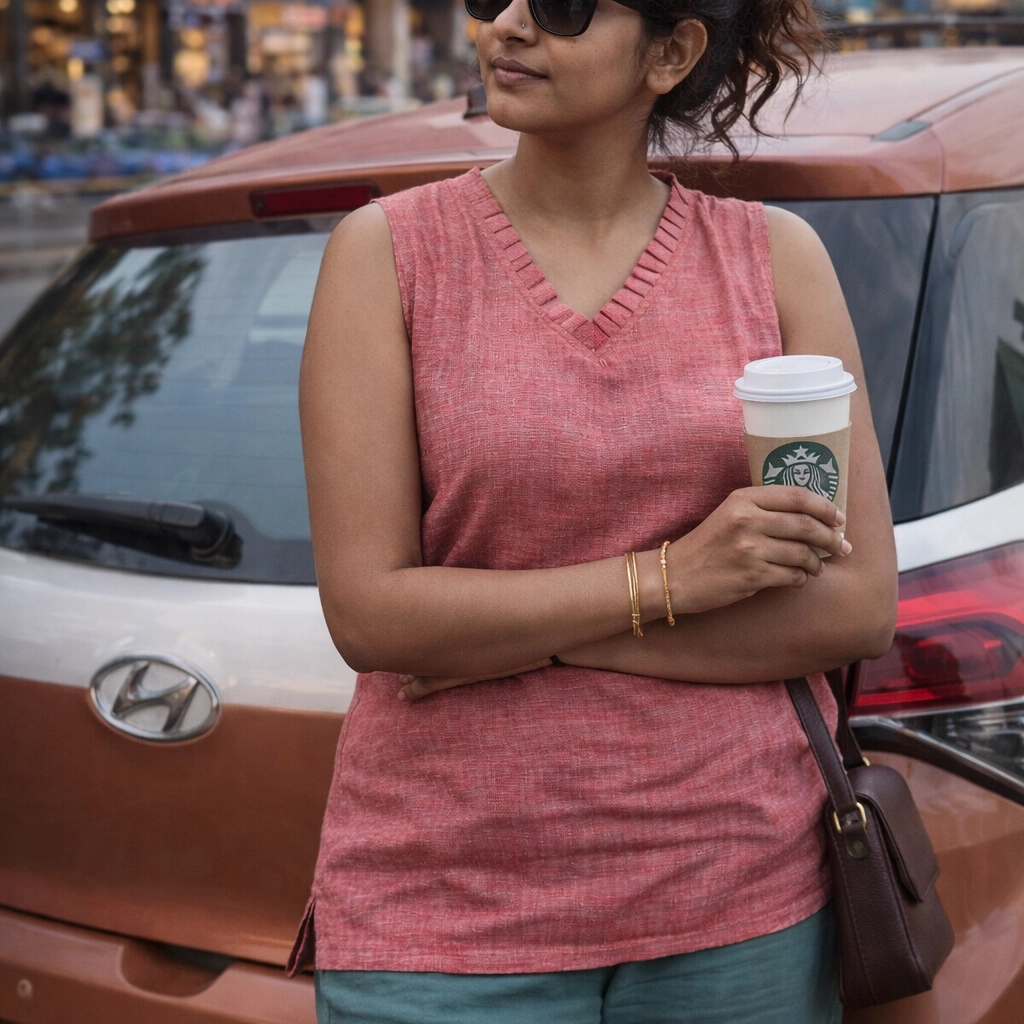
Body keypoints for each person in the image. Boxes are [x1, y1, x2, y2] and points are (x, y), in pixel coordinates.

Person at [291, 0, 898, 1018]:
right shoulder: (386, 254)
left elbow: (853, 609)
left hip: (739, 896)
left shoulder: (772, 260)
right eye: (493, 0)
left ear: (669, 51)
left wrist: (512, 636)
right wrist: (671, 580)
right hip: (443, 914)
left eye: (565, 7)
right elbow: (372, 616)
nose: (511, 26)